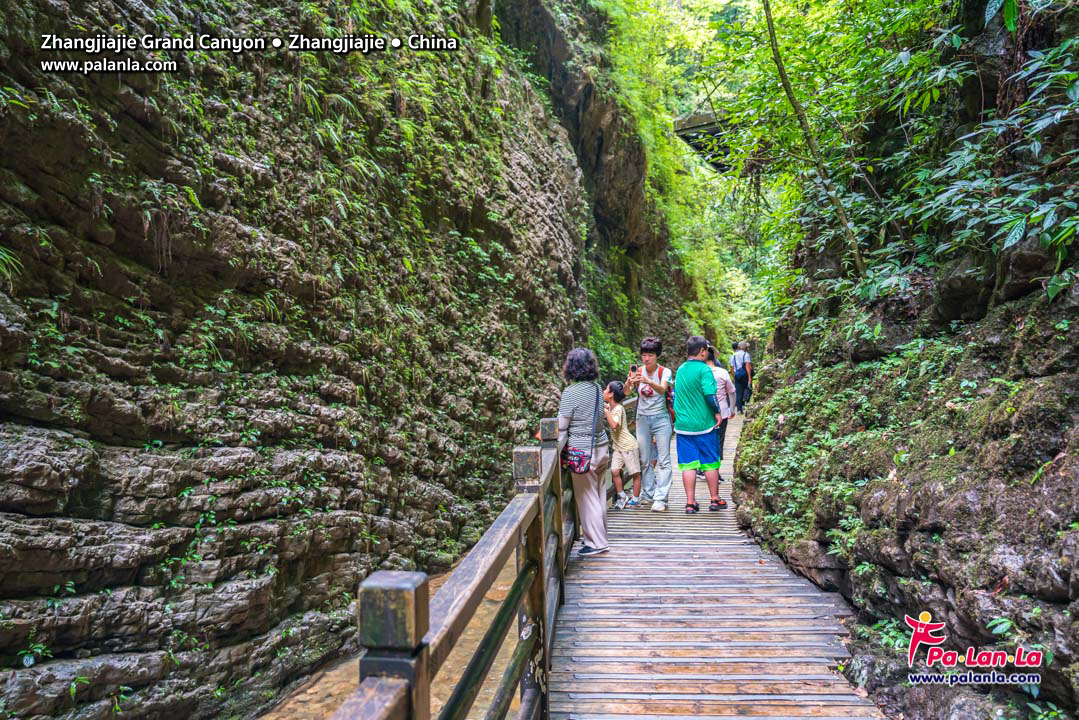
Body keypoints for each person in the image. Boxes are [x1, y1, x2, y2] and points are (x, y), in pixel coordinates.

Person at [558, 348, 611, 556]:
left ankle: (596, 543)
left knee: (587, 496)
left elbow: (562, 424)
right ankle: (601, 537)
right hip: (601, 448)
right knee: (599, 494)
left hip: (582, 452)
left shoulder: (570, 392)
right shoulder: (597, 388)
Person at [674, 336, 726, 513]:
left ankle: (690, 502)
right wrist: (717, 412)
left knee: (688, 464)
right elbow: (710, 395)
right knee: (710, 461)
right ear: (703, 351)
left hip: (683, 425)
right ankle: (714, 499)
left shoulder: (680, 370)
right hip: (704, 424)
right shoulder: (705, 370)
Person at [626, 337, 674, 512]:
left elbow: (662, 389)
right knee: (644, 459)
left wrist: (648, 382)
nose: (646, 359)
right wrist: (629, 382)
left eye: (650, 355)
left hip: (661, 418)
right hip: (642, 419)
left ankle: (661, 498)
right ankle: (648, 493)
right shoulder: (638, 371)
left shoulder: (664, 371)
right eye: (644, 355)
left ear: (657, 356)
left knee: (664, 459)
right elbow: (625, 392)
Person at [604, 381, 641, 510]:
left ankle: (635, 499)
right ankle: (622, 495)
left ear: (611, 394)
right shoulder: (612, 407)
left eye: (606, 389)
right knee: (614, 471)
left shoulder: (618, 408)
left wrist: (605, 411)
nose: (604, 391)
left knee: (634, 473)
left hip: (628, 446)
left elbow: (614, 425)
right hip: (618, 447)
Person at [705, 345, 736, 468]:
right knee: (719, 441)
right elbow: (732, 392)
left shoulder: (699, 373)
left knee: (704, 440)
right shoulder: (722, 372)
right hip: (722, 412)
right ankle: (715, 470)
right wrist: (731, 409)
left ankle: (703, 468)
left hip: (703, 413)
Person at [730, 340, 753, 414]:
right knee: (748, 389)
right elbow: (747, 366)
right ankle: (746, 406)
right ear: (745, 347)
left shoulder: (733, 355)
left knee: (739, 392)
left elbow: (732, 368)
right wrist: (749, 378)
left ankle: (739, 409)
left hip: (737, 375)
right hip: (745, 375)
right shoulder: (746, 354)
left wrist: (734, 376)